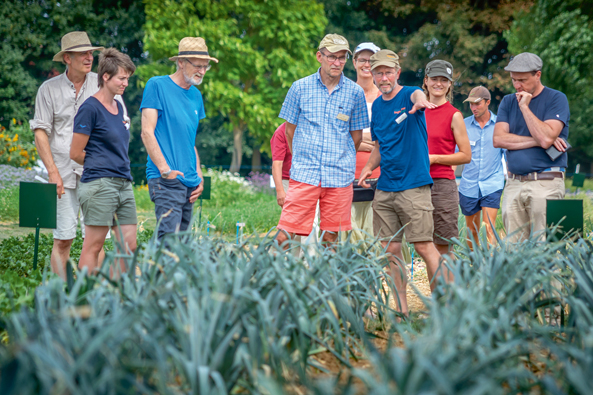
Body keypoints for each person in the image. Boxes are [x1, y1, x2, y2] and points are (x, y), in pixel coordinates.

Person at [358, 49, 443, 316]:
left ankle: (445, 308)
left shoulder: (410, 94)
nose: (383, 77)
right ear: (373, 74)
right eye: (378, 72)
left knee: (423, 246)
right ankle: (402, 310)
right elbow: (380, 144)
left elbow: (419, 94)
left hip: (413, 186)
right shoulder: (378, 108)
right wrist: (369, 168)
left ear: (397, 72)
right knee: (390, 250)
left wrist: (422, 102)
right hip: (385, 189)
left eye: (388, 72)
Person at [30, 31, 116, 280]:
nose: (89, 57)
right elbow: (40, 133)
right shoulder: (48, 89)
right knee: (63, 239)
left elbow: (120, 125)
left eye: (90, 53)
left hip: (97, 174)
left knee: (96, 240)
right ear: (67, 58)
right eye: (82, 54)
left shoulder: (104, 85)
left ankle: (87, 294)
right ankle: (63, 294)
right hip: (63, 175)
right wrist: (53, 172)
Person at [275, 34, 368, 247]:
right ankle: (271, 278)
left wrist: (340, 159)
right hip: (305, 174)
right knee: (285, 235)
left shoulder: (355, 93)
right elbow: (290, 132)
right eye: (332, 57)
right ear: (319, 56)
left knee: (330, 238)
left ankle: (324, 280)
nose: (337, 63)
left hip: (339, 177)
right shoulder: (299, 88)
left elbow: (356, 138)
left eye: (342, 58)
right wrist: (302, 158)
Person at [70, 48, 137, 276]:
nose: (125, 83)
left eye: (127, 78)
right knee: (94, 245)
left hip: (124, 184)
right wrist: (100, 164)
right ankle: (84, 298)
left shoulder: (119, 108)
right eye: (122, 78)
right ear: (106, 77)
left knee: (128, 247)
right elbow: (75, 152)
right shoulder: (89, 108)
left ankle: (117, 297)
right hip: (99, 185)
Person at [140, 37, 215, 239]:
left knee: (182, 250)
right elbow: (147, 132)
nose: (202, 71)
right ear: (181, 62)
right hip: (166, 180)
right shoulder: (156, 85)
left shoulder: (196, 96)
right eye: (198, 66)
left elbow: (190, 142)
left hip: (190, 183)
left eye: (206, 66)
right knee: (168, 245)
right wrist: (165, 171)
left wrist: (199, 176)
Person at [493, 52, 569, 242]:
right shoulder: (508, 101)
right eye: (513, 80)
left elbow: (546, 138)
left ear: (538, 75)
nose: (517, 85)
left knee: (544, 248)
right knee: (513, 251)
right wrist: (537, 140)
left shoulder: (556, 99)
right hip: (514, 183)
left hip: (546, 182)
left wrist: (525, 108)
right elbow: (498, 139)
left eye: (522, 80)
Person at [423, 60, 471, 257]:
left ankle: (448, 288)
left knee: (443, 246)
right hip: (414, 184)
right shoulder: (415, 111)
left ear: (450, 84)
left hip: (441, 185)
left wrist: (435, 159)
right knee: (424, 245)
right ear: (426, 81)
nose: (439, 84)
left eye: (444, 80)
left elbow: (465, 155)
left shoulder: (454, 115)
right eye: (434, 79)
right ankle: (433, 288)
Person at [460, 86, 504, 248]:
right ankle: (472, 265)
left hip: (492, 183)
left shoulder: (500, 125)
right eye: (471, 104)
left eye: (477, 104)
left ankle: (489, 268)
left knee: (488, 228)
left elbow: (508, 153)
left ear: (488, 102)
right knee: (472, 229)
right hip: (468, 185)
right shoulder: (463, 125)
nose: (473, 108)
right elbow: (454, 154)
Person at [349, 42, 382, 246]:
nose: (366, 64)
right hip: (347, 176)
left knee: (374, 239)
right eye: (362, 60)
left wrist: (356, 138)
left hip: (379, 178)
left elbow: (388, 139)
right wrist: (363, 142)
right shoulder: (345, 94)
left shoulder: (385, 97)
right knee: (349, 238)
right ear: (354, 62)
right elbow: (338, 135)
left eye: (371, 60)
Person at [270, 122, 319, 254]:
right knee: (292, 226)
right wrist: (280, 191)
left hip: (310, 180)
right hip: (288, 181)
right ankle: (304, 262)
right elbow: (277, 165)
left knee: (309, 222)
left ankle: (304, 262)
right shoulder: (281, 132)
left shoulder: (312, 127)